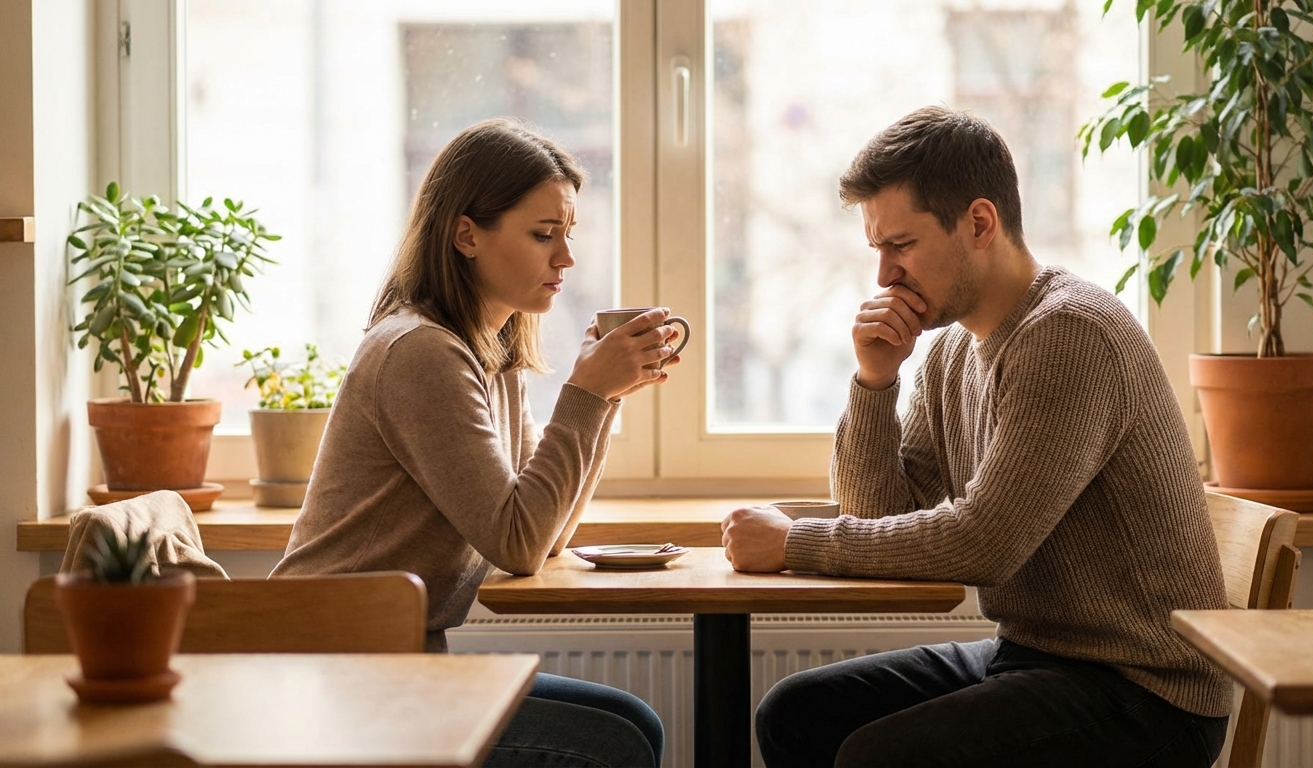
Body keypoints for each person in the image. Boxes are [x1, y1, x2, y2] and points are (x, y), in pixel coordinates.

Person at [720, 106, 1233, 768]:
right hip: (1037, 656)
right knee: (796, 714)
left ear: (980, 224)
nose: (884, 276)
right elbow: (881, 514)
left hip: (1146, 693)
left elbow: (982, 541)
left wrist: (794, 542)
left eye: (900, 245)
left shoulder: (1070, 332)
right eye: (877, 249)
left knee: (878, 757)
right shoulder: (952, 349)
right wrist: (874, 383)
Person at [273, 118, 672, 768]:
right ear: (466, 235)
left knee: (633, 723)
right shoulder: (420, 352)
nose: (566, 259)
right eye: (544, 235)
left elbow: (543, 537)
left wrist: (605, 401)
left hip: (395, 660)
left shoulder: (493, 348)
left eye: (568, 235)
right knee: (616, 741)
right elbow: (515, 541)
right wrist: (587, 396)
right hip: (334, 668)